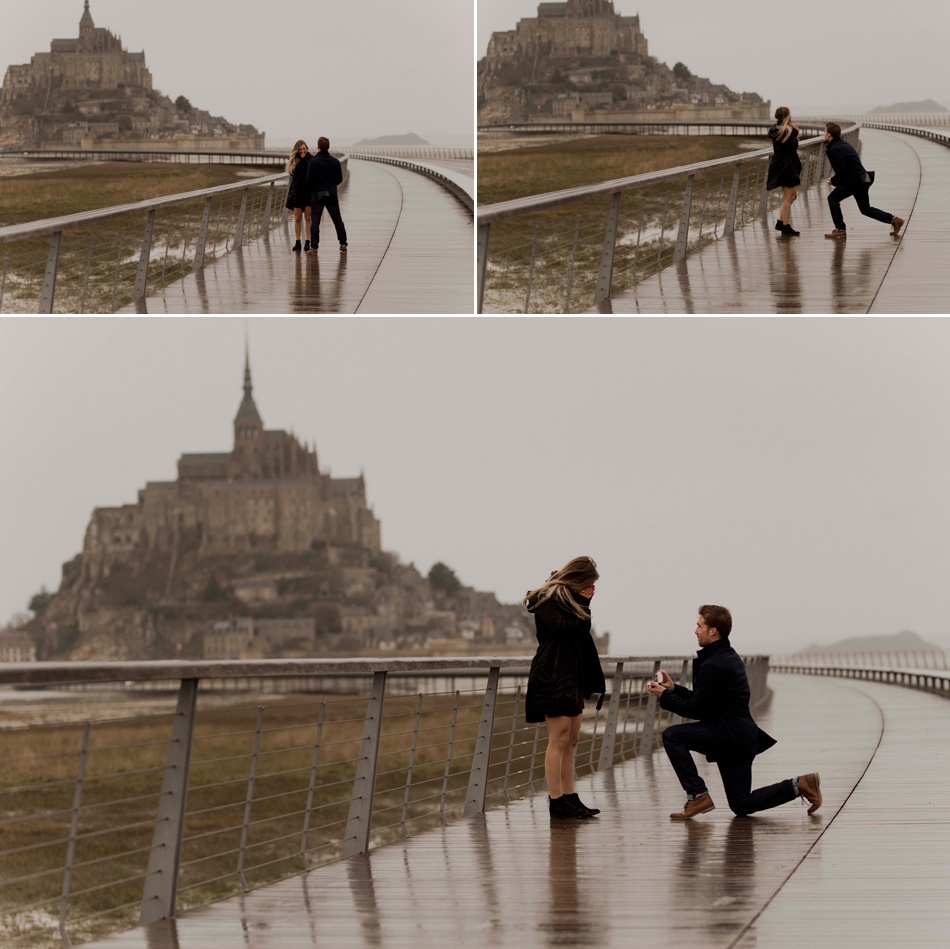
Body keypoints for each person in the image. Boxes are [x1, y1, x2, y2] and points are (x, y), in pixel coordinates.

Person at [646, 605, 821, 820]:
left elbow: (695, 709)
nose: (695, 630)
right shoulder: (724, 656)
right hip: (737, 736)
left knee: (672, 736)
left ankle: (697, 796)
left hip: (728, 736)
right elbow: (706, 700)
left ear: (713, 631)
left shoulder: (715, 663)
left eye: (699, 625)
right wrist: (674, 690)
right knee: (741, 804)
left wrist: (664, 697)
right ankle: (800, 785)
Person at [524, 556, 606, 820]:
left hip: (573, 676)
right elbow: (566, 628)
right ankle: (556, 801)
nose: (591, 589)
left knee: (571, 739)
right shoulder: (548, 598)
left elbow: (582, 631)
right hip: (553, 676)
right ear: (579, 580)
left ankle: (570, 798)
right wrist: (584, 603)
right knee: (558, 738)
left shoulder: (570, 600)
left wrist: (583, 603)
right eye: (589, 584)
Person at [823, 122, 904, 239]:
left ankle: (840, 229)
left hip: (855, 180)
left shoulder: (835, 149)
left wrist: (833, 181)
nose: (824, 134)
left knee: (832, 198)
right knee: (865, 209)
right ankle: (895, 220)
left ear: (829, 135)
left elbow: (842, 172)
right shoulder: (843, 144)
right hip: (863, 177)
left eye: (825, 131)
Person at [306, 136, 348, 253]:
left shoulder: (313, 162)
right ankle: (343, 243)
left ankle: (314, 246)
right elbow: (339, 179)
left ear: (318, 147)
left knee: (316, 221)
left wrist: (315, 189)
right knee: (337, 220)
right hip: (331, 193)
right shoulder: (335, 162)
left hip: (317, 195)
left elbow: (308, 181)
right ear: (328, 147)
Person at [766, 106, 803, 237]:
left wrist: (794, 133)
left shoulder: (776, 129)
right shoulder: (786, 130)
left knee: (793, 195)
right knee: (789, 197)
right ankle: (785, 227)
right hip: (786, 166)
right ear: (787, 116)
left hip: (781, 164)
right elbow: (793, 145)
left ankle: (780, 222)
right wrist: (796, 133)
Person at [284, 140, 312, 252]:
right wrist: (298, 159)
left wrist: (304, 158)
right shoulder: (294, 160)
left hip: (308, 192)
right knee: (297, 218)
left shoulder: (311, 158)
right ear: (297, 150)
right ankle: (297, 242)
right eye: (300, 149)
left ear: (307, 148)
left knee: (308, 218)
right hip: (297, 192)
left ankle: (308, 242)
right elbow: (292, 172)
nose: (302, 151)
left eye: (304, 148)